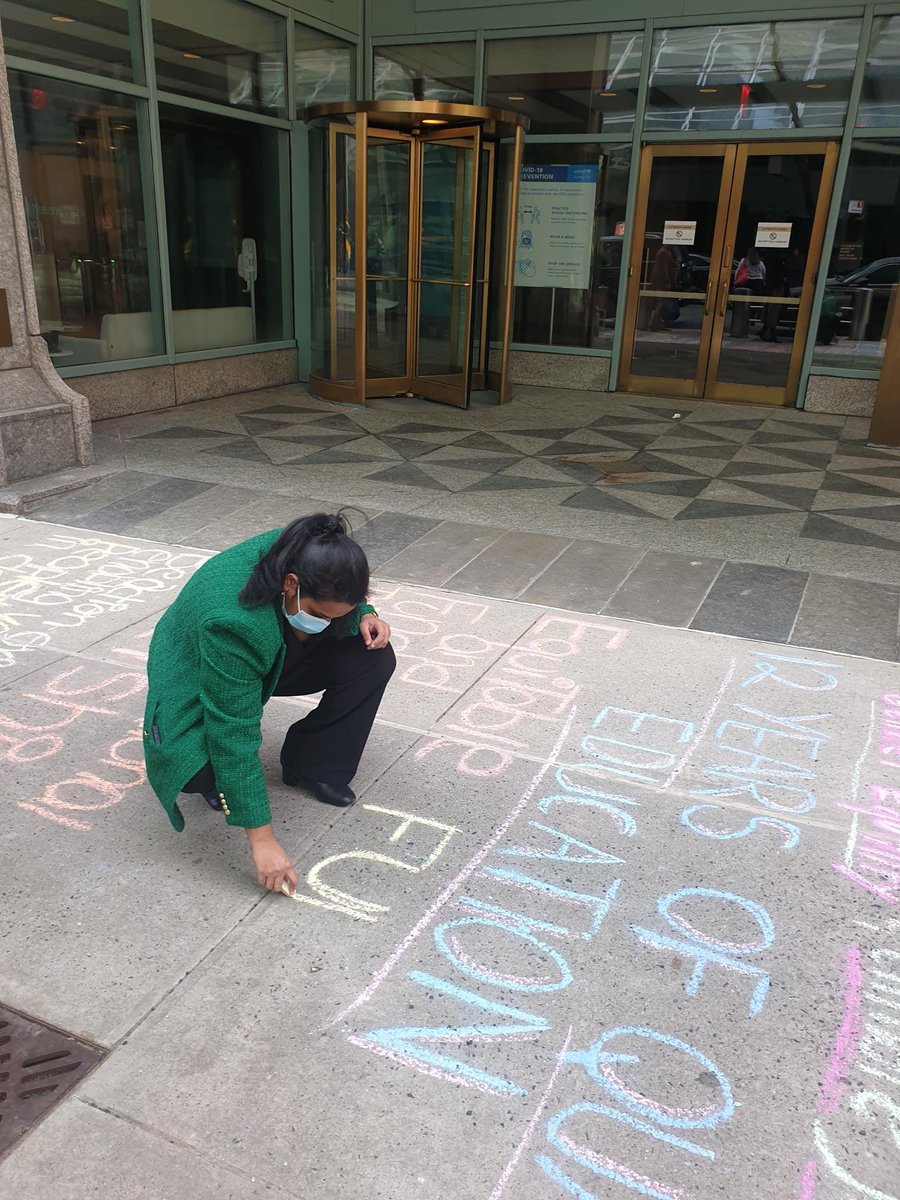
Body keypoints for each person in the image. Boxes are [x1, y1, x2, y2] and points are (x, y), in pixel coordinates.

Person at [142, 513, 395, 894]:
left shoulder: (312, 550)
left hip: (274, 639)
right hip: (197, 666)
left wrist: (365, 614)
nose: (324, 624)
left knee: (373, 657)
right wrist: (262, 839)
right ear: (291, 583)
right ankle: (217, 781)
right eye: (320, 615)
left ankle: (314, 765)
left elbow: (343, 599)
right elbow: (233, 729)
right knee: (194, 768)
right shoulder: (232, 623)